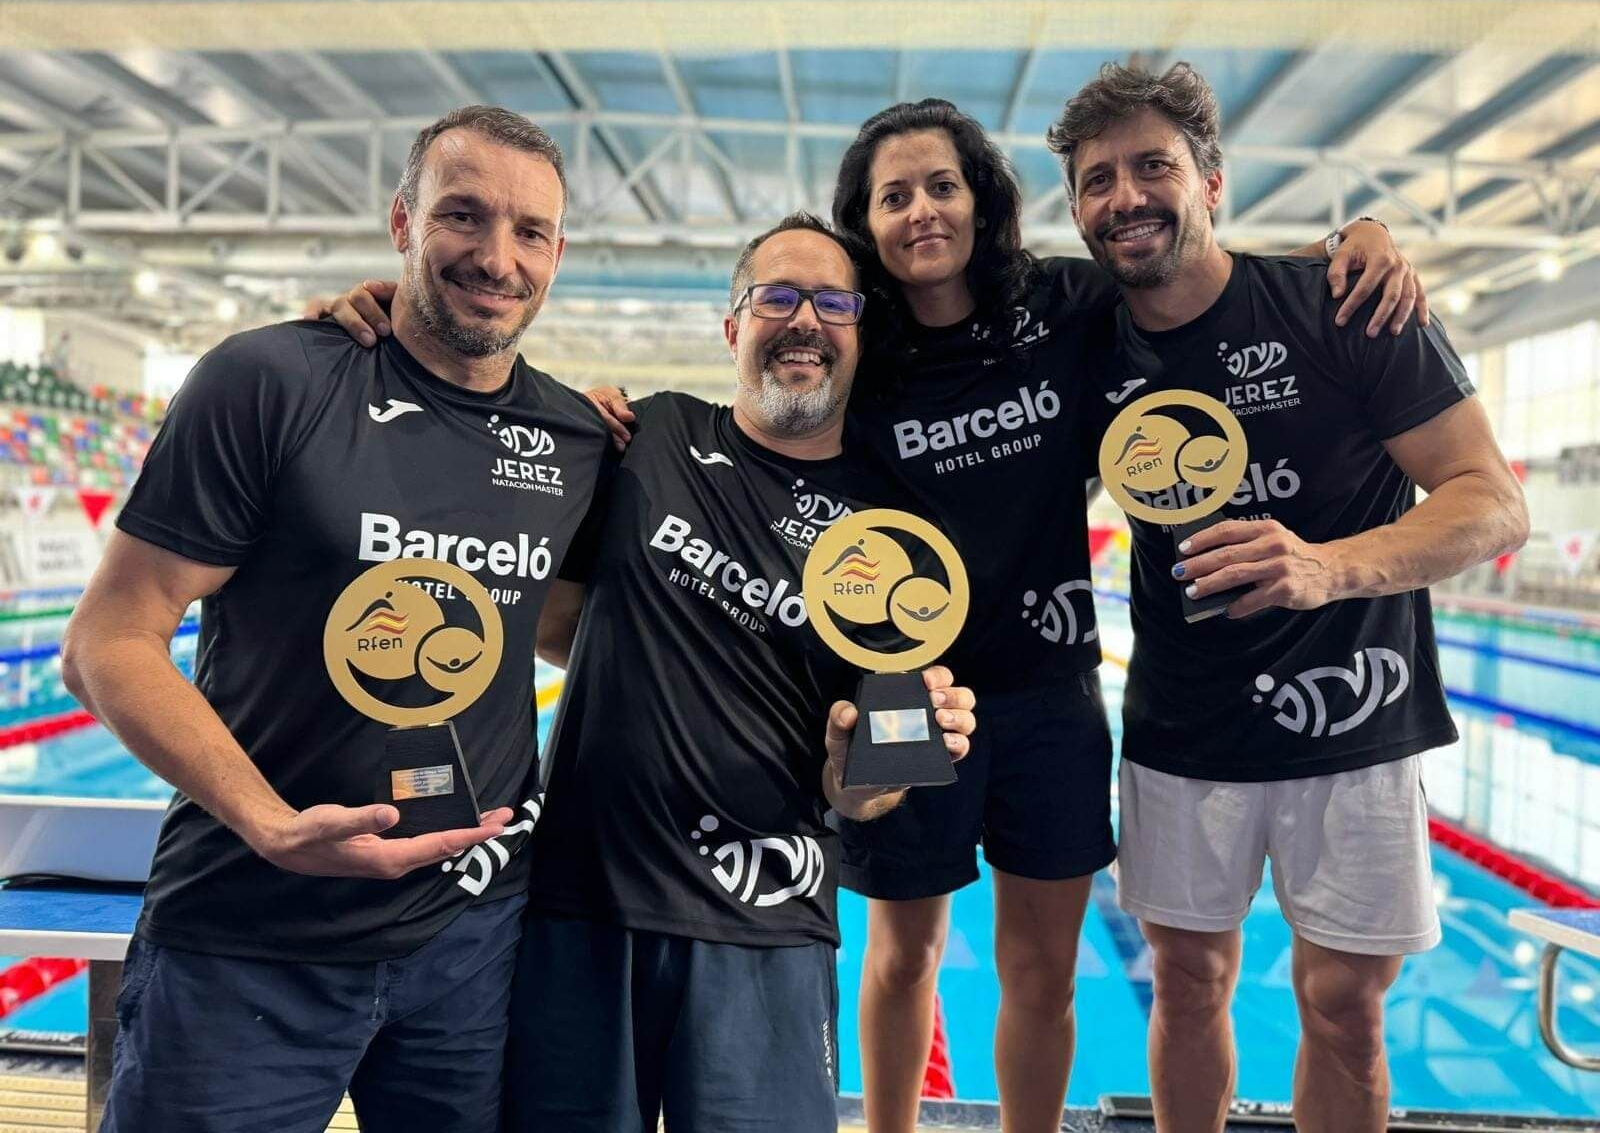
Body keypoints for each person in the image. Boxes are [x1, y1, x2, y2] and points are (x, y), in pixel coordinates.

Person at [319, 97, 1426, 1133]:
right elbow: (532, 468)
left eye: (940, 187)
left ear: (980, 200)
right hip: (892, 682)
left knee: (1041, 965)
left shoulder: (1064, 307)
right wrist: (383, 312)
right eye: (892, 197)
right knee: (902, 957)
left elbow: (1189, 279)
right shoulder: (835, 362)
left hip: (1043, 690)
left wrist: (1355, 236)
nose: (919, 212)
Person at [313, 210, 977, 1132]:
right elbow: (522, 560)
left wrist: (865, 770)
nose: (804, 321)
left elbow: (861, 795)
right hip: (584, 912)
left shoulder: (888, 531)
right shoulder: (645, 437)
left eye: (833, 302)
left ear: (859, 331)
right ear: (733, 326)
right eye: (776, 296)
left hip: (767, 924)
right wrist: (380, 332)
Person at [60, 105, 614, 1133]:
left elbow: (562, 629)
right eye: (463, 216)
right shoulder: (269, 381)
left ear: (557, 253)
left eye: (529, 231)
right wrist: (268, 823)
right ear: (402, 222)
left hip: (471, 942)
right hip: (248, 939)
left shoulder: (577, 440)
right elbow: (106, 642)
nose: (496, 257)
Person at [1048, 62, 1528, 1133]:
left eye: (1151, 167)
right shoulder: (1089, 344)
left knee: (1346, 1010)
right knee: (1185, 986)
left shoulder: (1345, 304)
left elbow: (1492, 504)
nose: (1124, 196)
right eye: (1095, 180)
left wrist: (1329, 565)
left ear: (1211, 182)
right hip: (1184, 724)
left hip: (1355, 715)